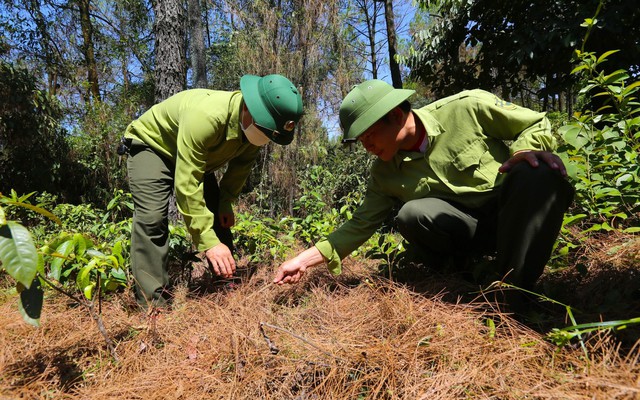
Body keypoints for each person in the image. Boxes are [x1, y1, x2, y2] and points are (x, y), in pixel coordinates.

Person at [274, 79, 574, 308]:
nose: (367, 147)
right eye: (361, 140)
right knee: (412, 214)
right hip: (470, 233)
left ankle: (514, 292)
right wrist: (302, 260)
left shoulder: (467, 108)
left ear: (394, 115)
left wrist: (524, 149)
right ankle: (466, 275)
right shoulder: (384, 173)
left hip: (513, 216)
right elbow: (359, 224)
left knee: (536, 169)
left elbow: (536, 121)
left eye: (369, 135)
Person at [123, 74, 303, 308]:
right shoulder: (206, 117)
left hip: (195, 158)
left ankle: (225, 280)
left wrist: (225, 201)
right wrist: (208, 243)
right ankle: (152, 304)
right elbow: (187, 185)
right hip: (152, 146)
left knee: (219, 212)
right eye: (264, 129)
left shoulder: (258, 129)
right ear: (249, 107)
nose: (265, 138)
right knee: (152, 218)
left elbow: (239, 170)